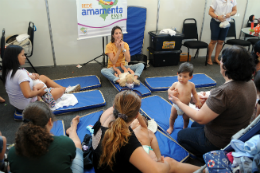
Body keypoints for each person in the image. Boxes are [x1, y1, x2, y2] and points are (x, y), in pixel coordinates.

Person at [170, 46, 256, 158]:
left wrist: (177, 102)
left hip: (220, 141)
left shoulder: (224, 92)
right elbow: (230, 104)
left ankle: (211, 156)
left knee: (181, 136)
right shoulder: (250, 83)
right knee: (193, 126)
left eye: (222, 59)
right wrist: (212, 102)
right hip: (237, 133)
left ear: (225, 66)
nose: (220, 62)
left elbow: (200, 118)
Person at [92, 90, 200, 173]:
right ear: (136, 116)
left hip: (101, 167)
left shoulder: (105, 116)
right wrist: (164, 164)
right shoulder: (125, 139)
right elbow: (156, 171)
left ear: (114, 106)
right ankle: (205, 170)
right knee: (169, 162)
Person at [8, 101, 84, 173]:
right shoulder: (65, 143)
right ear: (50, 121)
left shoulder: (12, 152)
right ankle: (72, 130)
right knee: (76, 145)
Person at [2, 45, 80, 111]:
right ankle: (64, 90)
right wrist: (40, 93)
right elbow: (27, 94)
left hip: (17, 103)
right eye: (22, 55)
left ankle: (66, 89)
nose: (25, 57)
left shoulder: (9, 70)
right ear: (14, 58)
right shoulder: (20, 73)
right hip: (28, 104)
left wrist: (34, 75)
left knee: (42, 77)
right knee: (60, 91)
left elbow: (28, 76)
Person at [167, 62, 201, 135]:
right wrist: (172, 93)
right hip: (176, 106)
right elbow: (169, 90)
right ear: (177, 74)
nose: (181, 78)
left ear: (190, 77)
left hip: (186, 106)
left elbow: (194, 93)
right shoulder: (175, 84)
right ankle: (171, 127)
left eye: (185, 76)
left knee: (186, 119)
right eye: (180, 75)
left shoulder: (191, 85)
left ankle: (185, 127)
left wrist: (197, 101)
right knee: (172, 117)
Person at [207, 0, 237, 65]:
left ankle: (216, 58)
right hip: (215, 22)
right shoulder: (216, 0)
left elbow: (235, 10)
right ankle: (209, 58)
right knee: (213, 41)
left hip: (226, 22)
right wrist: (217, 17)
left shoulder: (233, 0)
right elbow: (210, 12)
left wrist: (230, 14)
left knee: (221, 41)